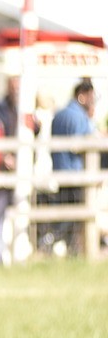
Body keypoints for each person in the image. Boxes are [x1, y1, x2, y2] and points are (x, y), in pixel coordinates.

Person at [45, 79, 97, 253]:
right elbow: (82, 145)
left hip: (60, 171)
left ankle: (52, 244)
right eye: (91, 97)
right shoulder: (79, 116)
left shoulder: (60, 114)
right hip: (76, 173)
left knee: (64, 212)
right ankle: (71, 249)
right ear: (82, 96)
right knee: (75, 217)